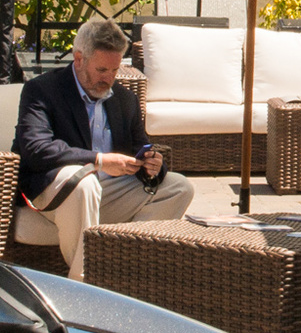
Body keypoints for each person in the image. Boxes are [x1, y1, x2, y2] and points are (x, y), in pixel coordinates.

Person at [15, 20, 195, 279]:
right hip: (56, 189)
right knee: (85, 183)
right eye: (101, 69)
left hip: (107, 191)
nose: (109, 78)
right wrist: (99, 160)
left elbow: (139, 147)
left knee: (178, 187)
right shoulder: (42, 90)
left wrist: (152, 166)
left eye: (115, 69)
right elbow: (36, 149)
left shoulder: (124, 99)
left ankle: (123, 268)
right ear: (78, 59)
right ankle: (86, 282)